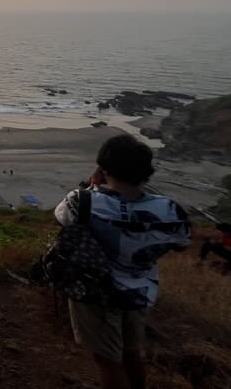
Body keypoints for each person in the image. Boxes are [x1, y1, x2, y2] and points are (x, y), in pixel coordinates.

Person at [54, 133, 191, 389]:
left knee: (108, 361)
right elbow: (182, 243)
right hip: (140, 291)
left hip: (96, 293)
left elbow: (61, 218)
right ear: (145, 171)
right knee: (131, 353)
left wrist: (92, 183)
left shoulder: (83, 201)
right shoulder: (170, 210)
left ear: (104, 169)